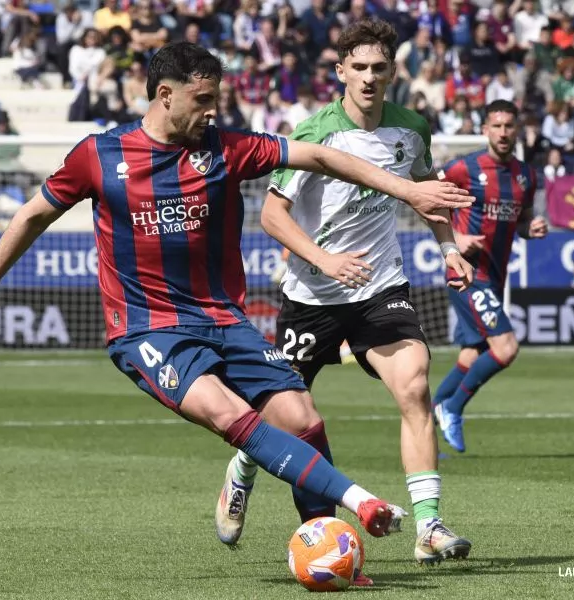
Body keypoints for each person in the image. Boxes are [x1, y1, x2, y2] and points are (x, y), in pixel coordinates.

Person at [0, 42, 474, 550]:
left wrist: (408, 190)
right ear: (164, 95)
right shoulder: (100, 155)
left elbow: (319, 156)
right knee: (231, 416)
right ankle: (361, 504)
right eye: (202, 100)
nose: (212, 112)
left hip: (225, 321)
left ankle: (329, 547)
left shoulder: (227, 148)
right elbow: (32, 215)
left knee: (302, 418)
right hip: (148, 329)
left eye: (216, 100)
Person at [212, 19, 474, 578]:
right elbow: (271, 215)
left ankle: (428, 526)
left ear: (393, 71)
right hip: (312, 295)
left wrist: (449, 248)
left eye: (379, 67)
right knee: (282, 415)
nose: (369, 77)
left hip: (380, 286)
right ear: (340, 72)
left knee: (415, 383)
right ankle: (243, 469)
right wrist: (324, 259)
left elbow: (426, 196)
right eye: (359, 67)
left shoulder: (411, 129)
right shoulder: (316, 133)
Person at [432, 100, 549, 454]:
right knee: (506, 347)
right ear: (485, 130)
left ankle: (427, 423)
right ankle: (452, 409)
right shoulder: (464, 168)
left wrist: (531, 229)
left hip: (494, 276)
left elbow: (522, 221)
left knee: (473, 354)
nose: (502, 132)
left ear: (517, 130)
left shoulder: (526, 176)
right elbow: (427, 200)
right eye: (496, 126)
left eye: (508, 126)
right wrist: (455, 238)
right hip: (467, 274)